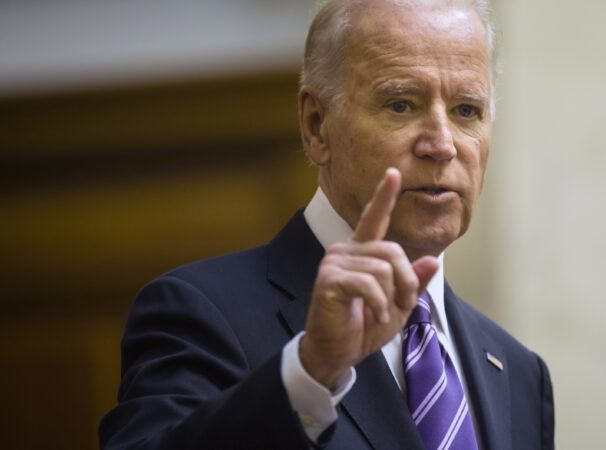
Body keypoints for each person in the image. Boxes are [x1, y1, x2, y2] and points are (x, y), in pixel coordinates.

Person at [99, 0, 554, 448]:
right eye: (401, 105)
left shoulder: (519, 373)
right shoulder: (199, 312)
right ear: (317, 126)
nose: (441, 144)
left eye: (466, 111)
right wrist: (312, 371)